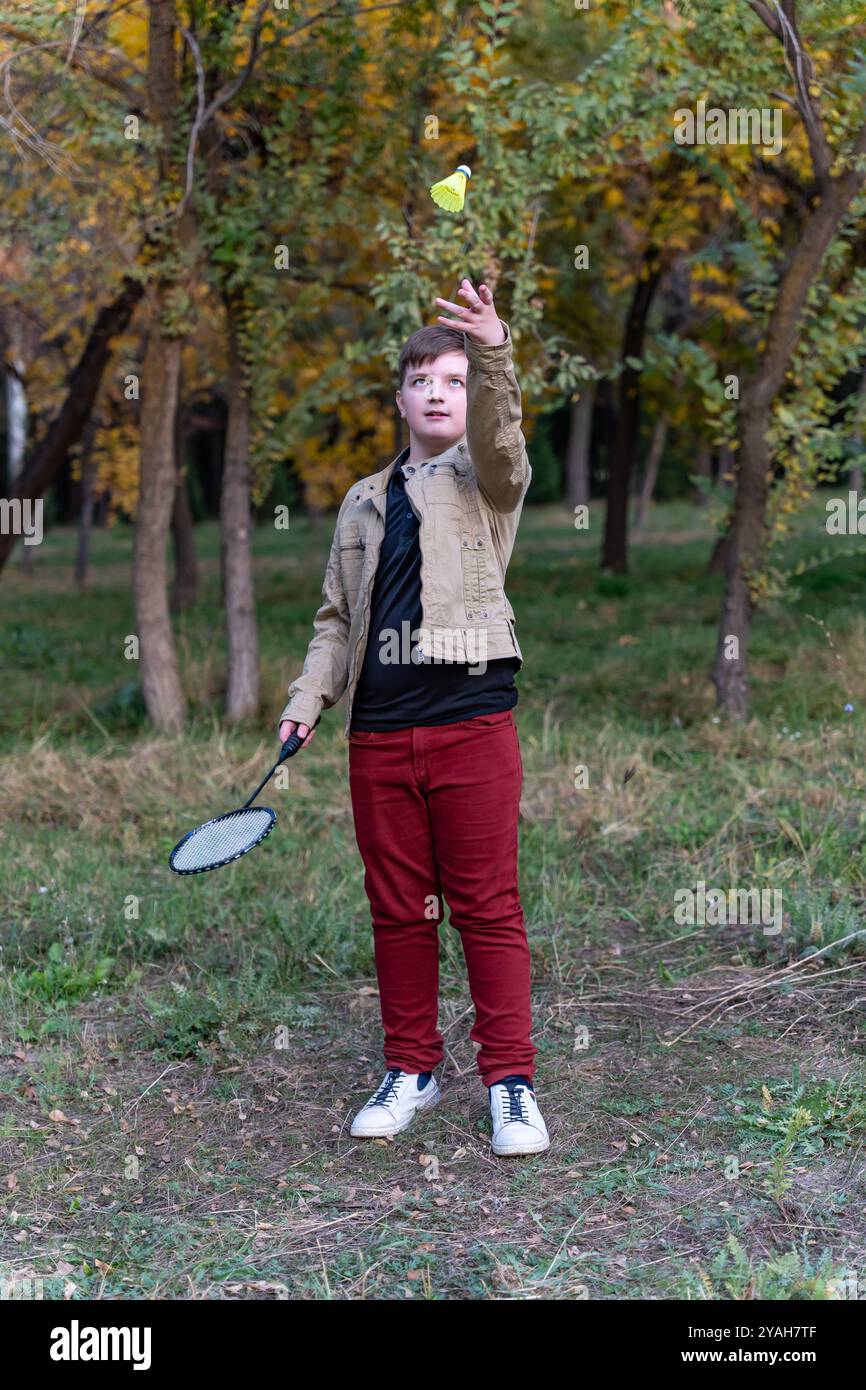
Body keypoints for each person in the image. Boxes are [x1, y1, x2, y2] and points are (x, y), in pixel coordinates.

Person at [278, 278, 548, 1158]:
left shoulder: (489, 479)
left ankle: (511, 1084)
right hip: (381, 735)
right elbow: (333, 620)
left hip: (471, 722)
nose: (438, 391)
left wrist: (495, 349)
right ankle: (412, 1070)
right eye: (423, 379)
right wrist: (306, 702)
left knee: (486, 908)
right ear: (400, 397)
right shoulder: (361, 500)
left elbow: (505, 437)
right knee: (398, 910)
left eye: (455, 380)